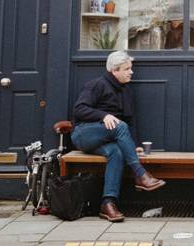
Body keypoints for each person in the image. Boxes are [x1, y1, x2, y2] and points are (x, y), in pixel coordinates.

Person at [71, 50, 166, 222]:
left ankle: (108, 204)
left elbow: (130, 122)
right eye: (127, 69)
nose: (131, 72)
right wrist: (103, 116)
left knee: (117, 153)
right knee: (119, 125)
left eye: (131, 68)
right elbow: (79, 109)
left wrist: (133, 144)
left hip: (108, 139)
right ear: (114, 71)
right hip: (84, 134)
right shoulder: (97, 85)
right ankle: (140, 175)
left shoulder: (126, 91)